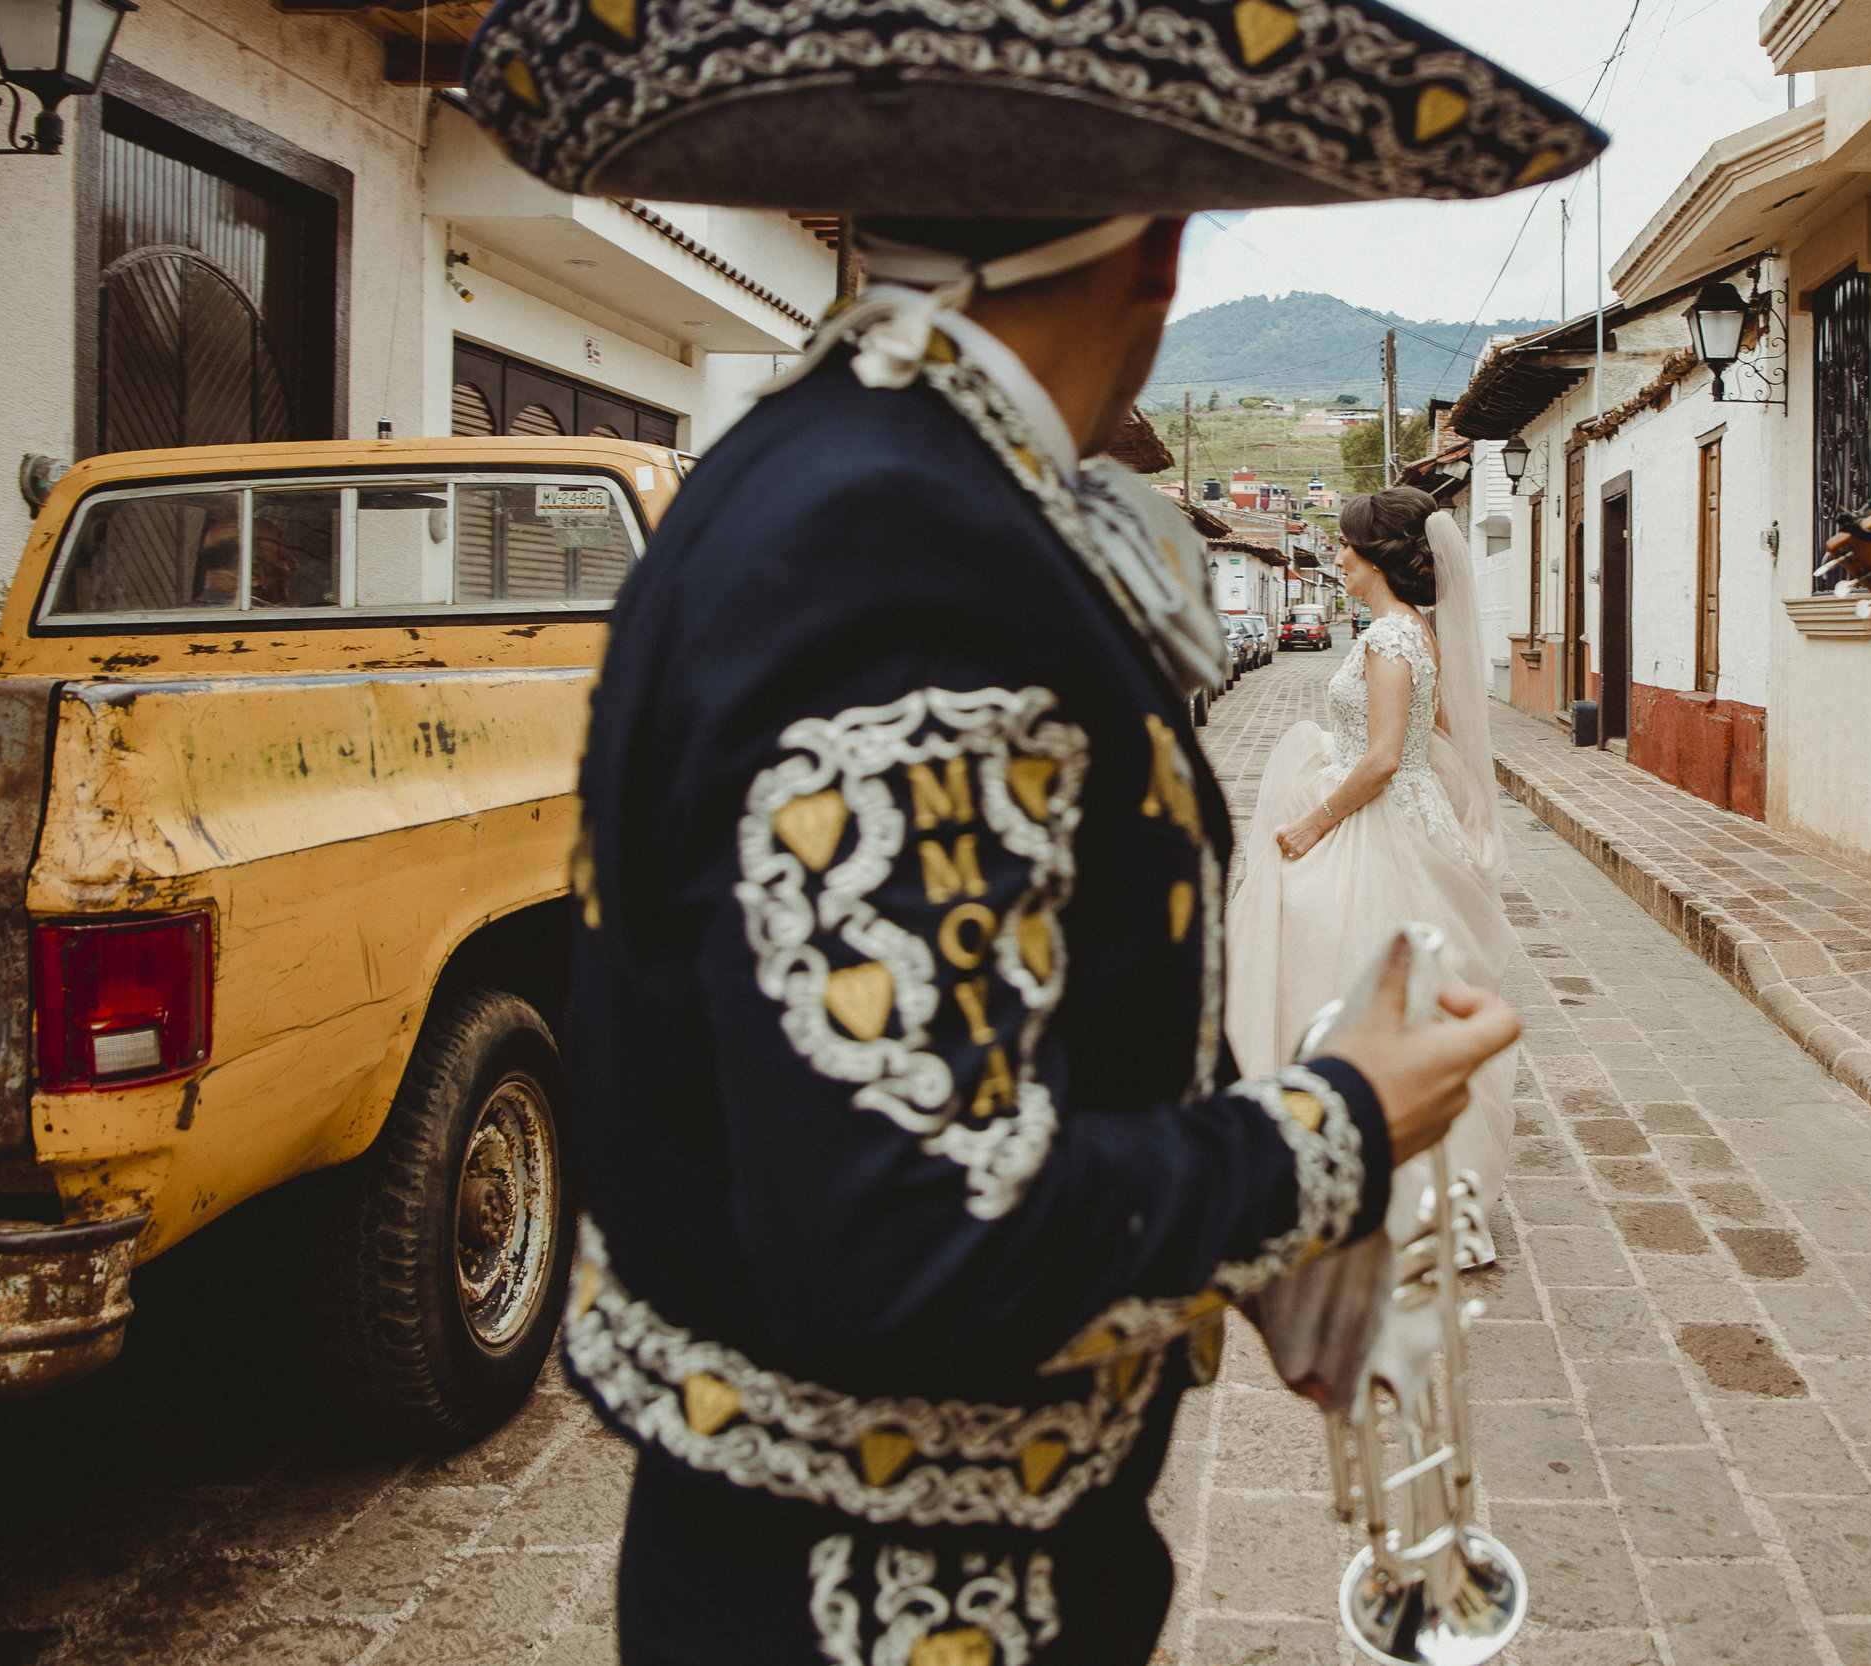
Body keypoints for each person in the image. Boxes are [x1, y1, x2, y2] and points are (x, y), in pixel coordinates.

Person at [458, 3, 1600, 1661]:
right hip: (903, 1601)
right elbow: (919, 1232)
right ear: (1160, 247)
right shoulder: (904, 543)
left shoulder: (800, 473)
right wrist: (1331, 1133)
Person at [1227, 486, 1519, 1263]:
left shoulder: (1392, 638)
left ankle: (1395, 1189)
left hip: (1377, 822)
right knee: (1394, 998)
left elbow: (1387, 757)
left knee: (1352, 985)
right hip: (1404, 812)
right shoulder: (1412, 632)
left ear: (1378, 557)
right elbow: (1441, 729)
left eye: (1350, 547)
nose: (1341, 558)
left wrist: (1313, 819)